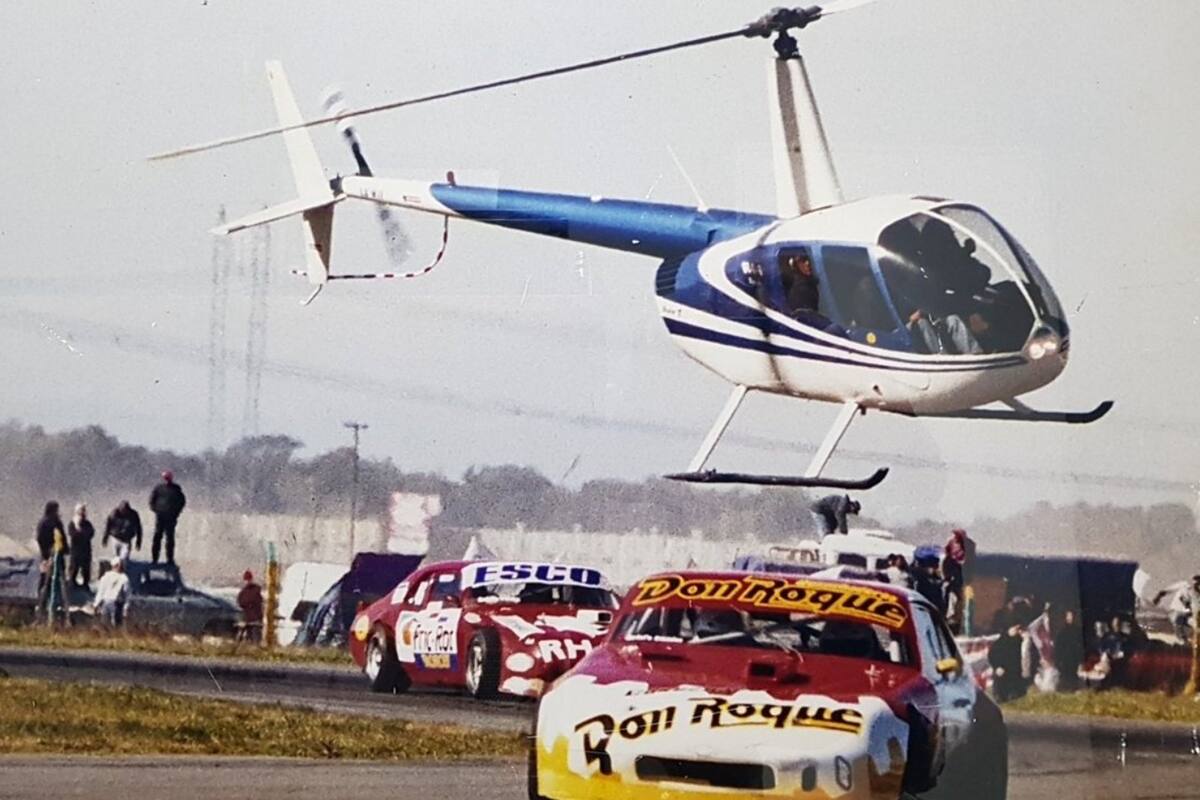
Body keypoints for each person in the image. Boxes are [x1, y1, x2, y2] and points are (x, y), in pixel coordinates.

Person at [35, 501, 69, 619]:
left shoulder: (57, 522)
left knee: (59, 579)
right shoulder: (44, 522)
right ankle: (42, 605)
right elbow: (40, 539)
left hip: (58, 555)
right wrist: (46, 554)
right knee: (46, 580)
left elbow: (62, 537)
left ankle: (57, 603)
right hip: (48, 555)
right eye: (56, 509)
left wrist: (65, 549)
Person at [149, 470, 187, 564]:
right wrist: (156, 510)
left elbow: (182, 501)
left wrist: (176, 512)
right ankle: (154, 559)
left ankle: (170, 559)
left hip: (171, 517)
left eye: (168, 478)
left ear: (171, 478)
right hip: (160, 516)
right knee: (157, 536)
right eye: (165, 478)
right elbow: (152, 500)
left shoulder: (176, 488)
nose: (166, 480)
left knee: (170, 538)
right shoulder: (158, 488)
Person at [942, 528, 975, 634]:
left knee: (966, 606)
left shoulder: (968, 546)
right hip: (956, 582)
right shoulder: (951, 550)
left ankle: (965, 627)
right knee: (954, 604)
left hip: (966, 582)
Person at [988, 624, 1026, 702]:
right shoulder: (1001, 642)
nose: (1018, 631)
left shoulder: (1021, 642)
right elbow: (992, 655)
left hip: (1016, 672)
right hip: (1003, 670)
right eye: (1016, 629)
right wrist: (997, 667)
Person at [1053, 608, 1084, 692]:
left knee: (1074, 677)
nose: (1071, 618)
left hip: (1075, 658)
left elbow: (1080, 646)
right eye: (1069, 616)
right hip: (1065, 659)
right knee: (1065, 678)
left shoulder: (1078, 631)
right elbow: (1058, 648)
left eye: (1072, 616)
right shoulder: (1061, 632)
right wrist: (1058, 660)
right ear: (1066, 617)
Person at [93, 557, 130, 627]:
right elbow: (127, 595)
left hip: (108, 602)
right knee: (115, 625)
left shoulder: (106, 576)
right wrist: (126, 608)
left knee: (105, 624)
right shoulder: (124, 578)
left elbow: (101, 592)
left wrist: (96, 604)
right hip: (115, 603)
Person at [67, 503, 95, 589]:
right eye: (81, 511)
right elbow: (73, 535)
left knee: (86, 568)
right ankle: (72, 584)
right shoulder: (72, 523)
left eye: (83, 511)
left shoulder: (87, 524)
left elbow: (91, 533)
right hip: (76, 550)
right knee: (74, 567)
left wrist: (81, 533)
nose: (82, 513)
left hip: (86, 550)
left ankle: (85, 585)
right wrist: (78, 528)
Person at [237, 570, 265, 643]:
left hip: (254, 617)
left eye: (248, 579)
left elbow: (257, 602)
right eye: (246, 580)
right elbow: (240, 602)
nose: (247, 581)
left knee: (255, 637)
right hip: (249, 617)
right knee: (250, 637)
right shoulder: (244, 592)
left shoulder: (254, 590)